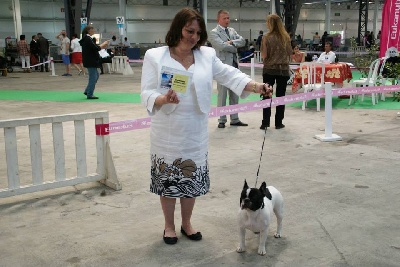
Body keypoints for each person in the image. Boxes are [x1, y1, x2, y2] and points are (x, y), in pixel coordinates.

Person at [140, 7, 271, 245]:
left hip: (195, 131)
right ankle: (169, 226)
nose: (194, 37)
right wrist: (162, 99)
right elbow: (146, 92)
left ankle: (187, 223)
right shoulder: (155, 56)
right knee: (169, 182)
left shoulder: (206, 55)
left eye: (198, 33)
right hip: (167, 131)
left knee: (190, 181)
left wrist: (256, 86)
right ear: (177, 28)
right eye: (190, 31)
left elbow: (229, 75)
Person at [208, 9, 248, 128]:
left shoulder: (232, 31)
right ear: (218, 19)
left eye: (228, 18)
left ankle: (234, 119)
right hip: (222, 69)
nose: (227, 20)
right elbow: (221, 46)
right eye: (224, 18)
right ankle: (222, 119)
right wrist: (234, 47)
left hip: (235, 67)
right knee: (222, 95)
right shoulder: (213, 33)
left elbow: (243, 41)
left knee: (235, 93)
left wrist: (231, 42)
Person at [260, 14, 293, 130]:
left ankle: (265, 123)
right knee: (280, 97)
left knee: (266, 96)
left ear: (270, 24)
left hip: (269, 70)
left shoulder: (266, 37)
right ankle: (278, 122)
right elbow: (290, 53)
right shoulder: (286, 37)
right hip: (283, 71)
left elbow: (264, 55)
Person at [79, 26, 109, 99]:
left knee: (96, 76)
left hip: (90, 60)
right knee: (93, 77)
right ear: (89, 31)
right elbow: (96, 48)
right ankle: (90, 93)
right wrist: (103, 44)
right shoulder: (88, 39)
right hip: (91, 60)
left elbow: (94, 47)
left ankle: (88, 90)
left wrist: (101, 46)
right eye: (92, 29)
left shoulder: (88, 39)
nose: (94, 31)